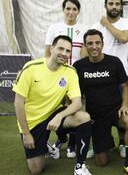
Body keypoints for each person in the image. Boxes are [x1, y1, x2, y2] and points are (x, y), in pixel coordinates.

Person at [13, 35, 92, 175]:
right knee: (36, 169)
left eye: (68, 51)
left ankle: (80, 166)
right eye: (60, 48)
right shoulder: (31, 68)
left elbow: (77, 102)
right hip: (32, 122)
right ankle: (45, 145)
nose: (64, 53)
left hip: (54, 114)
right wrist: (26, 134)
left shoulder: (70, 72)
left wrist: (59, 116)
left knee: (83, 117)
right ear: (51, 49)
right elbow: (18, 103)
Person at [73, 29, 128, 175]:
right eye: (90, 43)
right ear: (85, 46)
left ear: (102, 44)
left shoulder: (114, 62)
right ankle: (106, 140)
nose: (94, 46)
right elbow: (76, 94)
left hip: (116, 110)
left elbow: (124, 86)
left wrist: (124, 105)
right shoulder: (79, 66)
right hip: (96, 116)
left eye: (97, 43)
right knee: (102, 162)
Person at [44, 0, 89, 158]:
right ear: (63, 9)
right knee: (56, 109)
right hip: (56, 78)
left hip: (74, 77)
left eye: (74, 9)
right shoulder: (54, 28)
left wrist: (77, 74)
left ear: (78, 11)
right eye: (68, 8)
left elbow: (83, 57)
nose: (71, 12)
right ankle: (59, 139)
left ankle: (71, 144)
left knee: (75, 109)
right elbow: (47, 54)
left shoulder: (84, 29)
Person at [92, 0, 128, 156]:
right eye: (111, 3)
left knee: (122, 113)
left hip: (121, 77)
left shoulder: (127, 22)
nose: (114, 7)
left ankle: (123, 143)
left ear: (121, 6)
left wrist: (107, 24)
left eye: (117, 4)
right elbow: (85, 51)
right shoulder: (95, 27)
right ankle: (104, 142)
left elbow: (123, 38)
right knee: (99, 113)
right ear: (105, 5)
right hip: (100, 79)